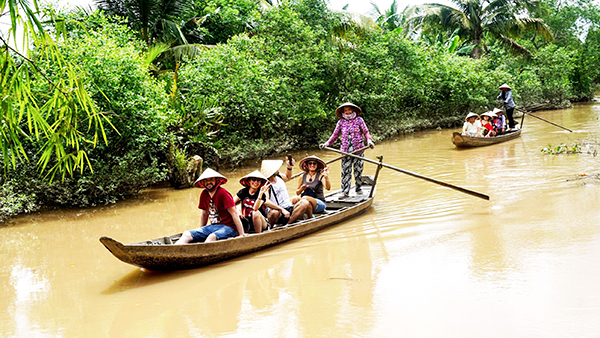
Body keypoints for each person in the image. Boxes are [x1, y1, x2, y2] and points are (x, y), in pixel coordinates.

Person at [175, 168, 245, 244]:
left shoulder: (223, 193)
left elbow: (234, 213)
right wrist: (201, 231)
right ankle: (174, 250)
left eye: (211, 179)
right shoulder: (204, 194)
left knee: (212, 237)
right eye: (206, 180)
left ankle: (203, 252)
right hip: (213, 227)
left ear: (216, 180)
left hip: (229, 227)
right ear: (202, 182)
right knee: (186, 234)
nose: (208, 182)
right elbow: (204, 214)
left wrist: (241, 234)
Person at [319, 102, 374, 197]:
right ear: (343, 112)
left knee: (358, 170)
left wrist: (369, 141)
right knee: (345, 171)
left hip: (358, 150)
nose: (347, 112)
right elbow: (335, 135)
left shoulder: (359, 120)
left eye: (349, 110)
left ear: (353, 110)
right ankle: (345, 191)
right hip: (345, 151)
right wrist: (327, 143)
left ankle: (358, 187)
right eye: (345, 110)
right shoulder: (341, 122)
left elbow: (366, 132)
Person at [260, 158, 312, 225]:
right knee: (274, 213)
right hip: (278, 211)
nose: (278, 169)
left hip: (288, 207)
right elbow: (266, 201)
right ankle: (273, 227)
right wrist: (281, 209)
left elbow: (288, 177)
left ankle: (289, 223)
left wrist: (289, 167)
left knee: (304, 203)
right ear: (272, 171)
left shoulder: (278, 176)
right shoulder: (266, 184)